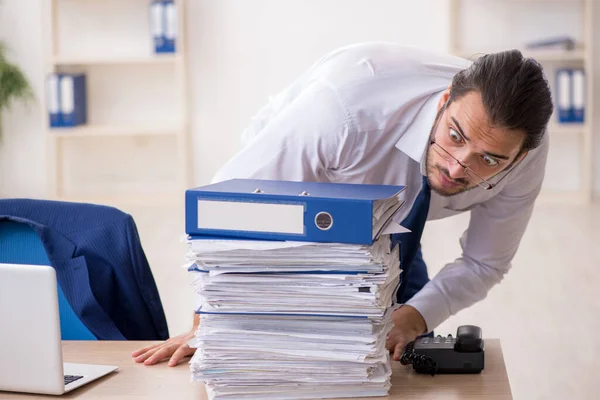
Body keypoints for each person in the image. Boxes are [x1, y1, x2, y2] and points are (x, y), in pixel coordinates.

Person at [132, 42, 553, 367]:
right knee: (292, 345)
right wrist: (211, 324)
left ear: (518, 157)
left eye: (489, 159)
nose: (459, 167)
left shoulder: (525, 153)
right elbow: (227, 210)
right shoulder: (342, 112)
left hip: (394, 218)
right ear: (444, 102)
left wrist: (413, 317)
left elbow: (484, 263)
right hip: (300, 195)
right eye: (456, 136)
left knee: (392, 347)